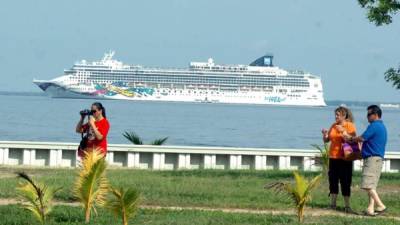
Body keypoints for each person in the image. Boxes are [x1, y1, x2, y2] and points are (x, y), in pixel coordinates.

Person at [344, 105, 387, 216]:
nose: (367, 117)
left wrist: (350, 138)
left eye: (369, 114)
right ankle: (370, 209)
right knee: (372, 186)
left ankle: (380, 205)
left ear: (376, 115)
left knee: (367, 185)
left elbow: (362, 138)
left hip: (372, 159)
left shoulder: (374, 125)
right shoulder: (381, 126)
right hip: (377, 158)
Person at [321, 106, 356, 213]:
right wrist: (325, 135)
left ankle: (347, 206)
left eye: (338, 115)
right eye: (335, 114)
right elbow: (327, 140)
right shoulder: (333, 125)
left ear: (344, 115)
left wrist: (344, 131)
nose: (336, 116)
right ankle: (333, 204)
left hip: (345, 158)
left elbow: (353, 140)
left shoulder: (350, 126)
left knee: (345, 181)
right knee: (333, 181)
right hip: (333, 157)